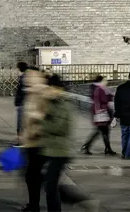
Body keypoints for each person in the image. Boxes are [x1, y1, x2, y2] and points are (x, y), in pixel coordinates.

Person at [39, 74, 96, 212]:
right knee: (48, 183)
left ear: (55, 88)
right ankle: (78, 201)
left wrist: (40, 122)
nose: (45, 92)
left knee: (50, 185)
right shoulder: (55, 102)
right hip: (52, 148)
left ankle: (80, 200)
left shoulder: (63, 104)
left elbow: (58, 127)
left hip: (60, 151)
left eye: (47, 88)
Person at [19, 67, 50, 212]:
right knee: (32, 176)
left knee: (35, 177)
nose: (26, 79)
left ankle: (75, 198)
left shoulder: (43, 94)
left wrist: (36, 119)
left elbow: (48, 117)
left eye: (30, 77)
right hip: (31, 143)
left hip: (41, 143)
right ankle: (33, 204)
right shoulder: (30, 94)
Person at [80, 75, 117, 156]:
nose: (106, 81)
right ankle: (86, 147)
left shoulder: (99, 89)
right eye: (105, 80)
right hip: (101, 112)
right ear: (101, 81)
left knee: (103, 131)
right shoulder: (100, 89)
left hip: (101, 112)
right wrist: (109, 94)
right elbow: (103, 100)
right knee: (101, 131)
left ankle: (107, 148)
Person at [15, 62, 29, 139]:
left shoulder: (24, 77)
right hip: (23, 102)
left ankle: (21, 139)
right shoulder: (24, 76)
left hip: (23, 103)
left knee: (20, 122)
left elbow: (23, 91)